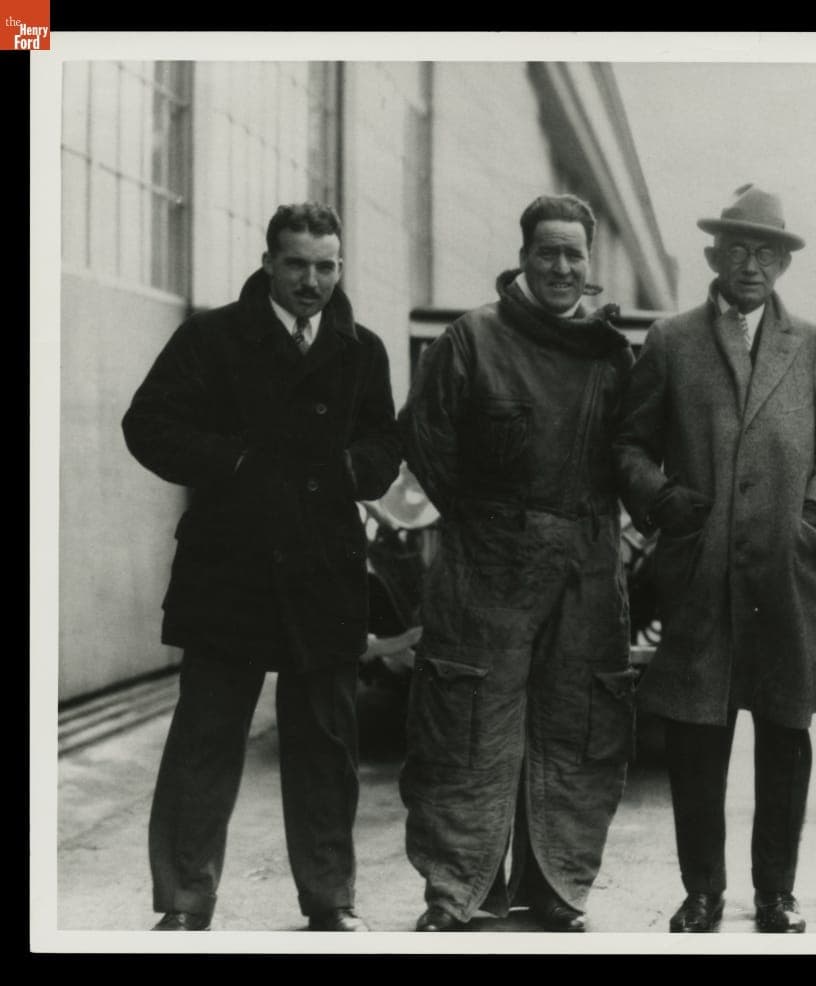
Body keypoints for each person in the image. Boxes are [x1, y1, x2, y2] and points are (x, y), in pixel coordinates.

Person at [122, 203, 402, 932]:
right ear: (269, 261)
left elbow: (384, 445)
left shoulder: (363, 351)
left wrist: (350, 470)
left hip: (323, 567)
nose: (312, 281)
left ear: (340, 266)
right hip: (230, 565)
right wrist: (235, 462)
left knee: (327, 747)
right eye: (297, 264)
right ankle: (184, 901)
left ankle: (330, 898)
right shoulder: (211, 338)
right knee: (205, 741)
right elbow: (146, 424)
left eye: (326, 266)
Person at [614, 184, 816, 933]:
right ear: (713, 256)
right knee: (697, 736)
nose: (752, 265)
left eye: (767, 253)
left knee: (784, 736)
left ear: (784, 264)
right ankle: (703, 894)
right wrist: (662, 501)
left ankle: (777, 894)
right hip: (701, 569)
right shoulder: (672, 341)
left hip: (786, 571)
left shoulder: (809, 344)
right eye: (739, 250)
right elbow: (628, 446)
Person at [398, 193, 636, 933]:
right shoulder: (471, 339)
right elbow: (426, 439)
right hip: (486, 568)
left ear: (589, 264)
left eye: (574, 254)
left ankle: (558, 888)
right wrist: (493, 525)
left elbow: (634, 453)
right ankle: (458, 892)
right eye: (548, 252)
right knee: (466, 724)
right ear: (524, 256)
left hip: (587, 569)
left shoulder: (610, 354)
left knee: (577, 726)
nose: (561, 267)